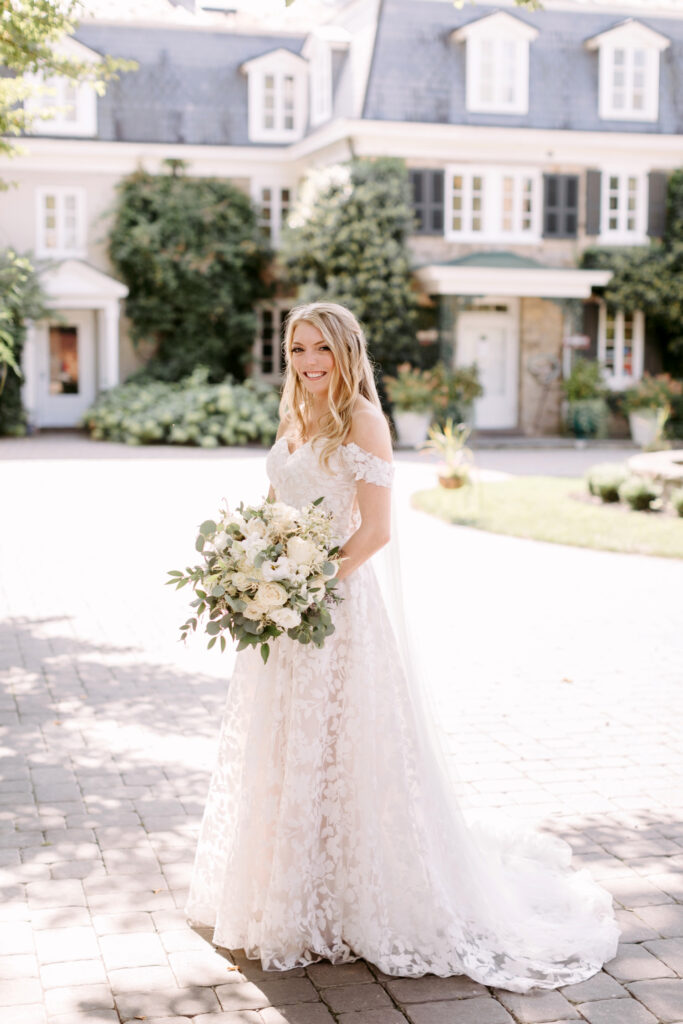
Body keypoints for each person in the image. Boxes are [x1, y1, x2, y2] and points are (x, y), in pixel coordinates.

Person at [184, 300, 620, 992]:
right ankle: (289, 890)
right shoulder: (293, 413)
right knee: (288, 744)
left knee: (347, 745)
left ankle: (363, 895)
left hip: (334, 607)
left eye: (320, 349)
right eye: (297, 349)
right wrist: (250, 568)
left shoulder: (363, 420)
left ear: (345, 352)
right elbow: (273, 508)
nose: (307, 362)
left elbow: (375, 531)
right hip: (282, 615)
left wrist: (306, 587)